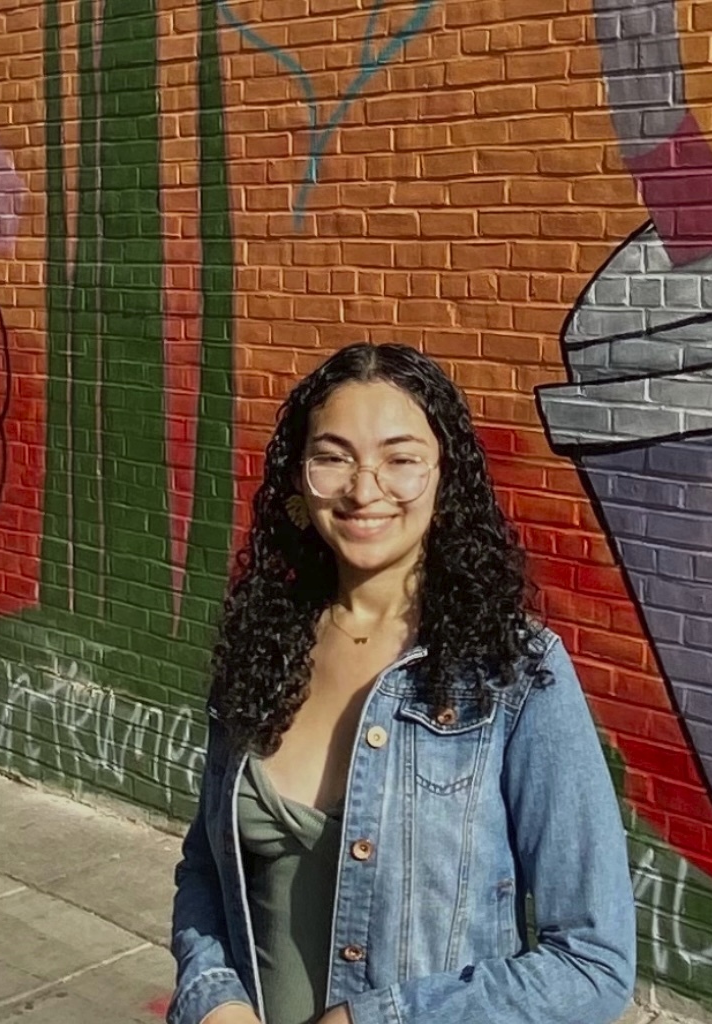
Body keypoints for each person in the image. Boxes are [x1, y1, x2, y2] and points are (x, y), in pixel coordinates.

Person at [167, 342, 636, 1024]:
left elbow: (593, 964)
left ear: (445, 480)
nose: (364, 489)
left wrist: (383, 1018)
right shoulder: (262, 647)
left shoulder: (514, 675)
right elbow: (206, 869)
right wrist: (215, 997)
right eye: (333, 457)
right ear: (299, 479)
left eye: (400, 459)